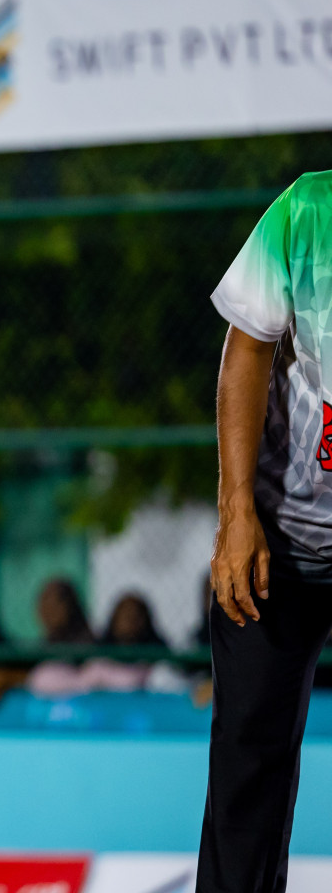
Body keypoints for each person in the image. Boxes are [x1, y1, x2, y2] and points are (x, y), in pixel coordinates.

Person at [200, 170, 332, 892]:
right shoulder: (307, 209)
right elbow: (245, 349)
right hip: (282, 542)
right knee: (246, 773)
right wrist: (236, 514)